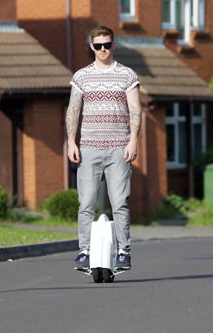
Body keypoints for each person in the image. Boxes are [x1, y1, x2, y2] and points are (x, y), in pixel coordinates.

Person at [66, 26, 141, 271]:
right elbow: (73, 110)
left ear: (113, 45)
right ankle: (84, 251)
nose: (102, 50)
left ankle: (123, 251)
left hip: (119, 148)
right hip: (89, 148)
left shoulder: (127, 75)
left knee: (120, 202)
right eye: (98, 46)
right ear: (91, 46)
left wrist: (133, 140)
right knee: (85, 202)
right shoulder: (81, 77)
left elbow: (135, 111)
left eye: (107, 45)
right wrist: (71, 141)